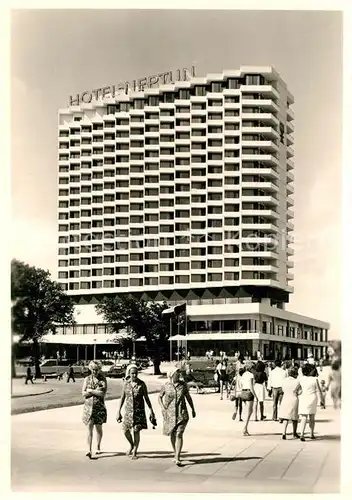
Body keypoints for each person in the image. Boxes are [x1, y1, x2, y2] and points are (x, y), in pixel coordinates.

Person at [116, 364, 155, 460]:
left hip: (139, 412)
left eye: (136, 373)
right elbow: (122, 398)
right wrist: (118, 411)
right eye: (132, 373)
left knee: (136, 431)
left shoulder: (141, 384)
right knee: (125, 431)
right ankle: (132, 444)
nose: (134, 375)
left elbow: (146, 398)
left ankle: (135, 451)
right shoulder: (126, 384)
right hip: (128, 412)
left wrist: (151, 410)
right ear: (129, 373)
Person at [159, 367, 196, 466]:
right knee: (172, 434)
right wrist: (162, 407)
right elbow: (159, 397)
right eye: (177, 373)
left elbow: (188, 397)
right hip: (169, 414)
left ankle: (177, 457)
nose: (179, 374)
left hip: (181, 414)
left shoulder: (183, 385)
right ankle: (175, 452)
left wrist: (193, 409)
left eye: (179, 373)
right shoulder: (166, 386)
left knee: (179, 434)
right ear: (171, 375)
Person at [82, 361, 107, 459]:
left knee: (98, 428)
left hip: (99, 408)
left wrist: (90, 391)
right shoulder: (87, 379)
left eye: (96, 370)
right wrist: (95, 391)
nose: (95, 372)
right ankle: (89, 449)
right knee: (89, 428)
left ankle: (98, 446)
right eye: (93, 370)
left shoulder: (102, 380)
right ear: (90, 369)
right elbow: (83, 394)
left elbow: (102, 393)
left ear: (99, 369)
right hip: (88, 408)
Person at [298, 363, 323, 441]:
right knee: (312, 417)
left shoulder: (301, 379)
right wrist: (322, 400)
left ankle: (302, 434)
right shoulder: (314, 379)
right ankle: (312, 433)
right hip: (312, 398)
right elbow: (319, 391)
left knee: (303, 417)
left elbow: (298, 389)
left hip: (303, 397)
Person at [279, 366, 300, 440]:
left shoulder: (284, 380)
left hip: (285, 398)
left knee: (286, 417)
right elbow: (300, 391)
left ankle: (284, 433)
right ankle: (294, 432)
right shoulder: (297, 381)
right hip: (293, 398)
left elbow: (282, 389)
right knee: (294, 417)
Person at [240, 363, 258, 436]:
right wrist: (255, 396)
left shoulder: (243, 375)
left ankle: (245, 427)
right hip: (249, 392)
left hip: (243, 392)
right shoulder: (251, 375)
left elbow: (241, 384)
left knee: (247, 410)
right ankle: (245, 427)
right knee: (250, 412)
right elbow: (251, 386)